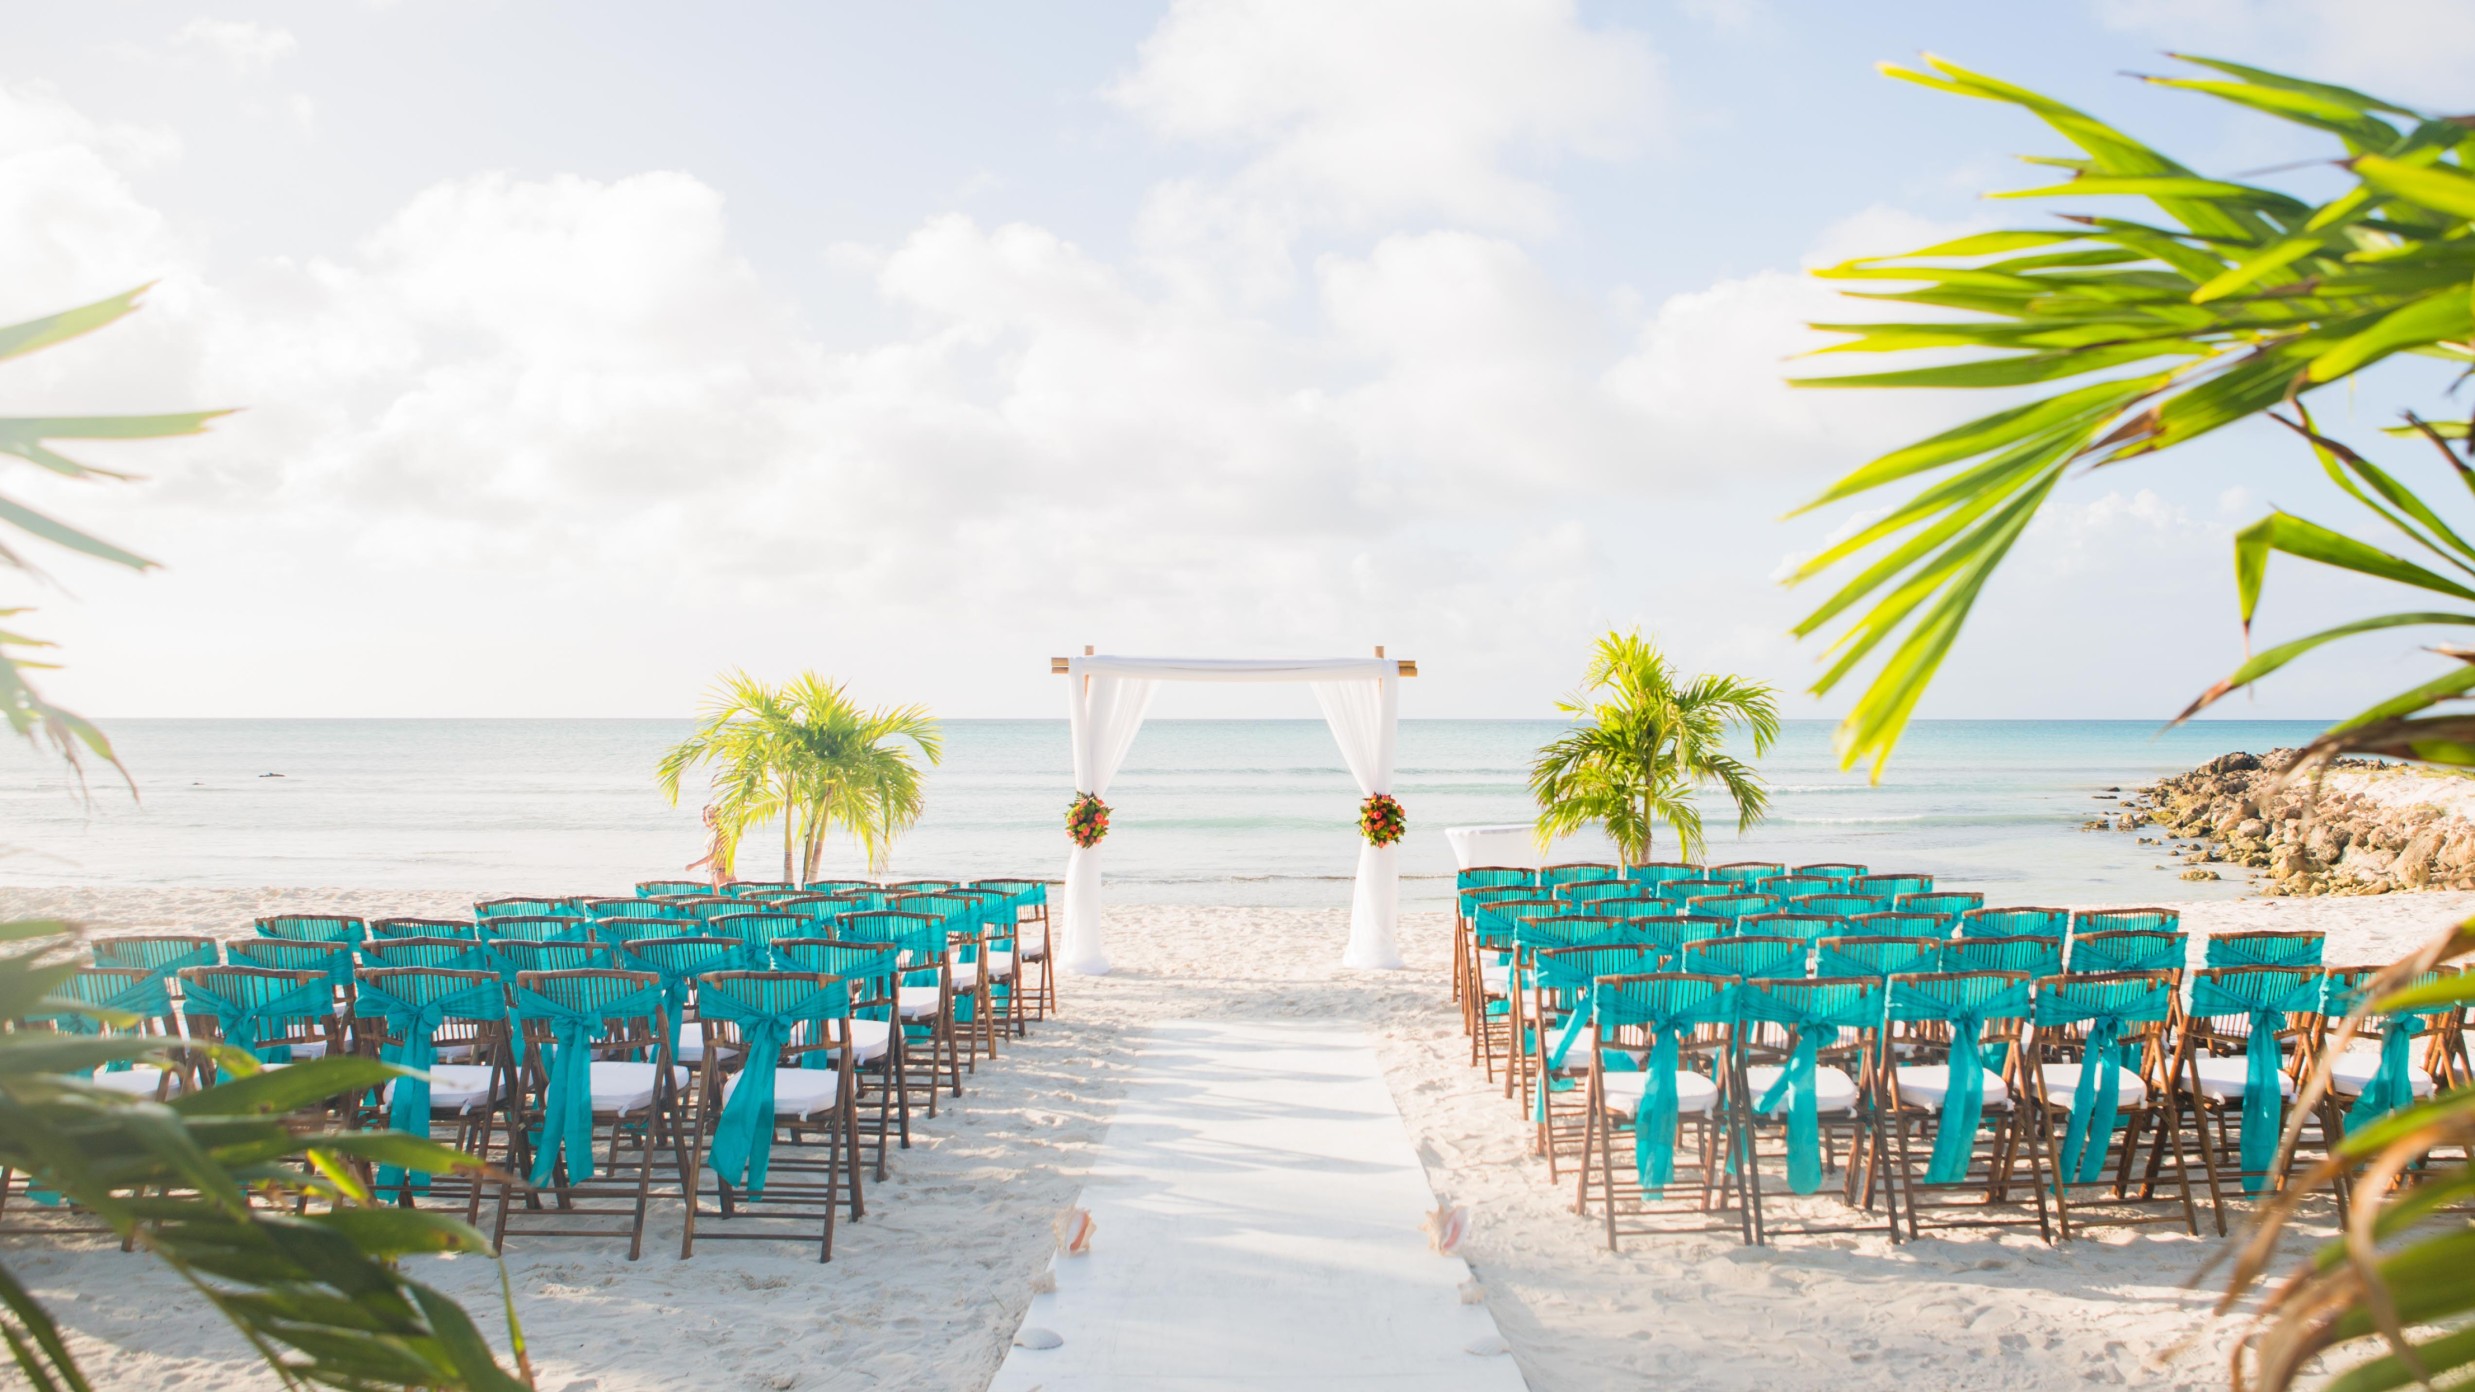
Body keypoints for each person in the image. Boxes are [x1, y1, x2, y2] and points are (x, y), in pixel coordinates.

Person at [686, 805, 733, 888]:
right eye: (709, 817)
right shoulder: (714, 832)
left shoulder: (721, 832)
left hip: (722, 874)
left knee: (719, 900)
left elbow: (713, 855)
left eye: (712, 817)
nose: (710, 819)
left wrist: (693, 865)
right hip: (716, 873)